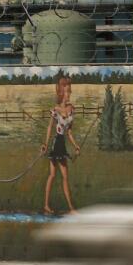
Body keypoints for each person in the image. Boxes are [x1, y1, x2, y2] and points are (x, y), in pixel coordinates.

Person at [41, 76, 81, 214]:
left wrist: (76, 145)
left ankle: (69, 208)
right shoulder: (55, 110)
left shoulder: (71, 109)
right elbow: (49, 128)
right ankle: (61, 207)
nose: (69, 93)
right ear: (61, 92)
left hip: (62, 143)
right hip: (55, 144)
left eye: (69, 91)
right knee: (54, 176)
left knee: (61, 176)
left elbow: (69, 132)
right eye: (67, 91)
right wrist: (45, 144)